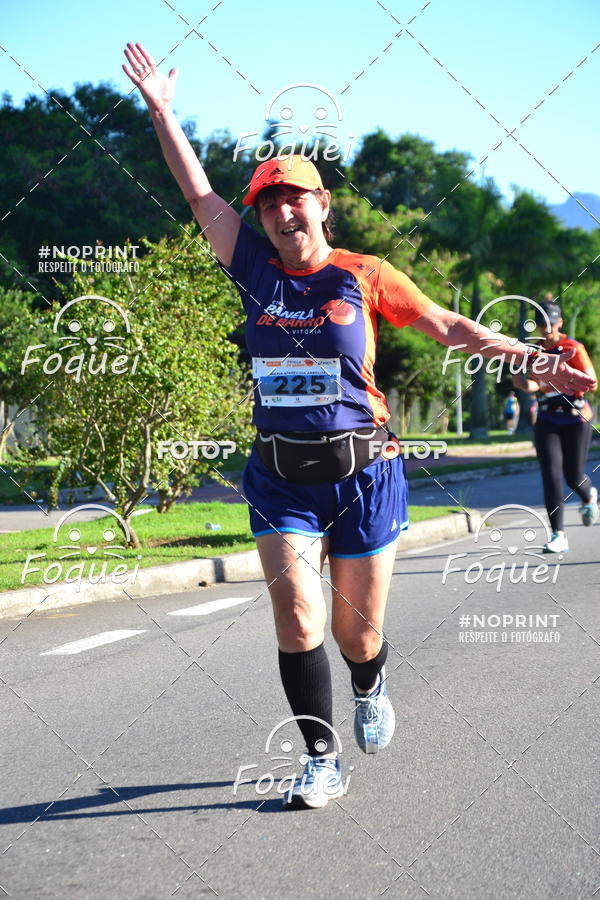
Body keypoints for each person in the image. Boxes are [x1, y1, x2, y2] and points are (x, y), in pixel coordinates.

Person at [122, 44, 596, 809]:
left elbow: (448, 325)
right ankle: (319, 755)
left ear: (321, 205)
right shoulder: (253, 268)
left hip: (364, 474)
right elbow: (199, 192)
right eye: (269, 203)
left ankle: (371, 686)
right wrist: (161, 110)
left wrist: (534, 362)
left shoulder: (362, 273)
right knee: (296, 612)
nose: (281, 212)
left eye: (294, 199)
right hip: (281, 475)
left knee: (358, 637)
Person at [514, 300, 598, 553]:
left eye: (551, 323)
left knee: (573, 476)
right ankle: (558, 535)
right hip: (548, 419)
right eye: (541, 323)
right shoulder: (534, 351)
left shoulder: (573, 347)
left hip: (575, 418)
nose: (546, 328)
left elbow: (592, 382)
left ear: (559, 322)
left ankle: (588, 496)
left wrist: (563, 381)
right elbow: (532, 385)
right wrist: (520, 382)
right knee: (551, 477)